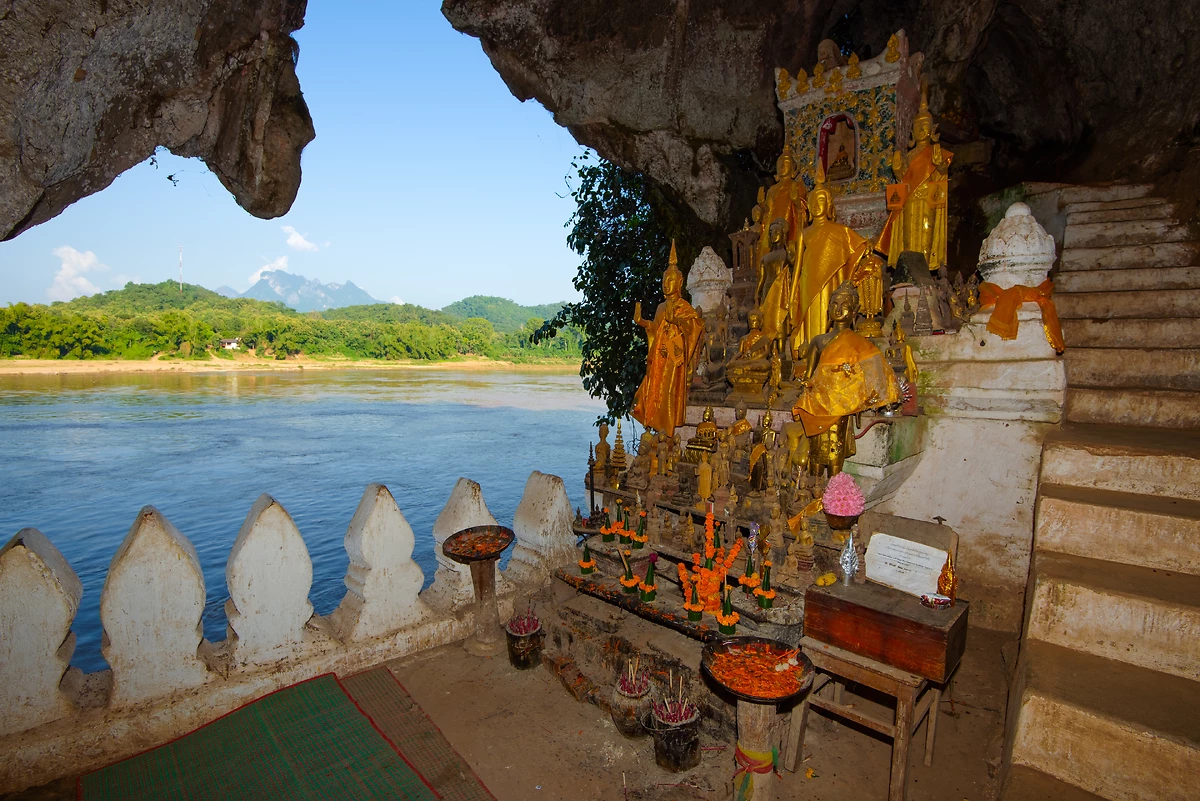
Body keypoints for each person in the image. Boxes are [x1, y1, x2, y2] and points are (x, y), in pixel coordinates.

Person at [632, 242, 705, 439]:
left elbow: (694, 327)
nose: (666, 283)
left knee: (668, 392)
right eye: (664, 279)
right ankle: (655, 427)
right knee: (653, 390)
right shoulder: (661, 307)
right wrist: (642, 322)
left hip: (673, 359)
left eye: (671, 279)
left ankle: (668, 432)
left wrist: (677, 321)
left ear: (679, 282)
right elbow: (656, 329)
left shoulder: (684, 306)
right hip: (659, 357)